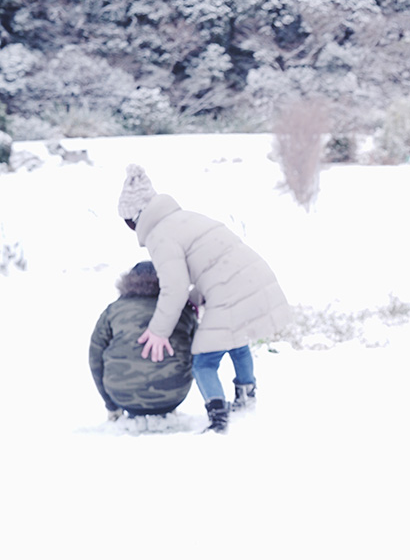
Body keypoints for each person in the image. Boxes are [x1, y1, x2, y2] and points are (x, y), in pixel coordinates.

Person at [117, 164, 292, 433]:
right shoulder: (186, 218)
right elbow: (211, 265)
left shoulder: (160, 235)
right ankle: (246, 397)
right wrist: (196, 297)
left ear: (135, 218)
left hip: (230, 290)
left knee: (204, 358)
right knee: (236, 339)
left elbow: (173, 287)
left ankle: (218, 418)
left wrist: (158, 331)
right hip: (253, 278)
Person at [89, 261, 198, 421]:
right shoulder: (181, 309)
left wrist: (111, 405)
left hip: (123, 395)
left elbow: (95, 357)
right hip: (173, 394)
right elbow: (199, 350)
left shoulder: (114, 310)